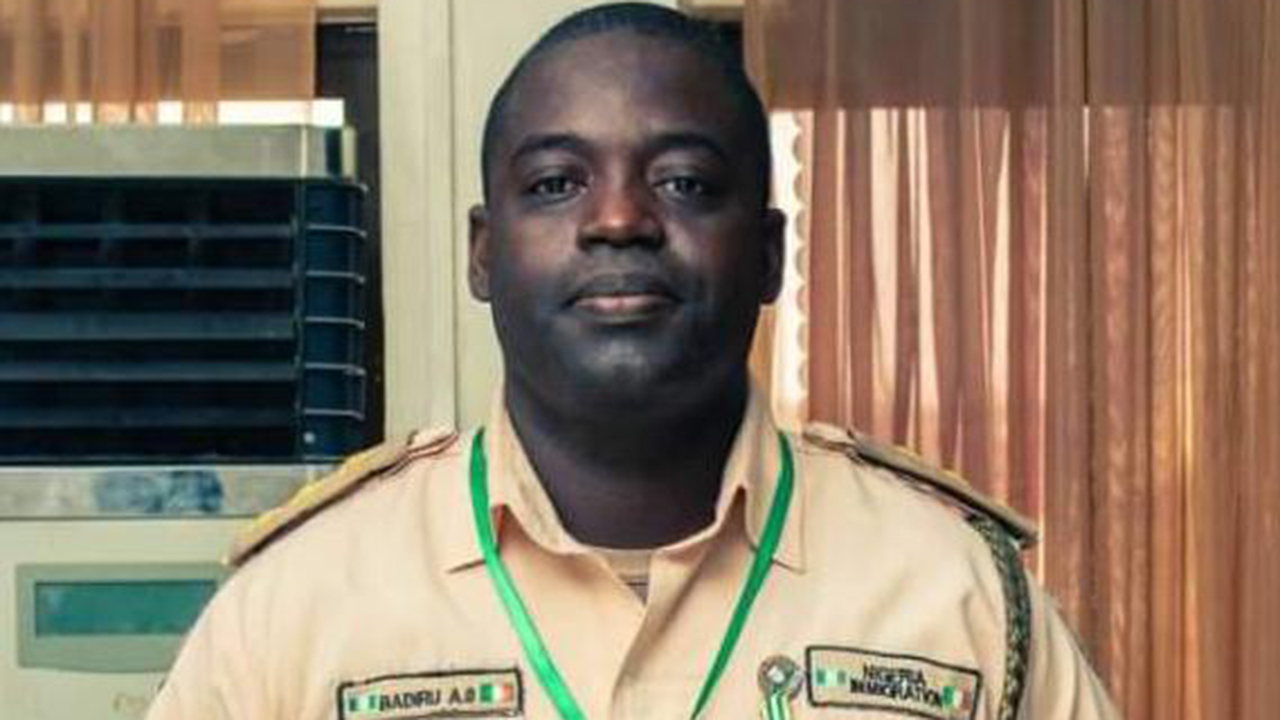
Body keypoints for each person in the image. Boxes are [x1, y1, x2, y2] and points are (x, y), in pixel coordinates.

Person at [146, 4, 1120, 719]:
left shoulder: (959, 594)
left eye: (684, 181)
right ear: (484, 252)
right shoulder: (297, 607)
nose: (619, 219)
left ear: (769, 254)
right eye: (555, 182)